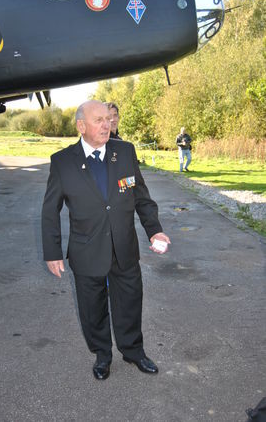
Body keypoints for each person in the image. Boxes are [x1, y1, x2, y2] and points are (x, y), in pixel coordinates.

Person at [42, 100, 170, 380]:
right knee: (92, 308)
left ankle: (133, 350)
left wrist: (154, 230)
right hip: (87, 251)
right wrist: (52, 252)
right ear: (81, 126)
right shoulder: (63, 162)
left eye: (108, 119)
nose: (107, 124)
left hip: (123, 247)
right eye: (98, 120)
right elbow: (50, 211)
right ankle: (102, 354)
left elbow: (141, 197)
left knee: (130, 302)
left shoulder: (124, 152)